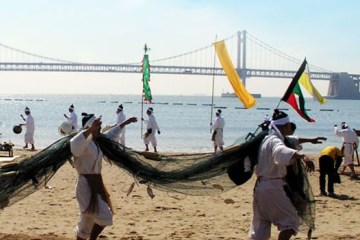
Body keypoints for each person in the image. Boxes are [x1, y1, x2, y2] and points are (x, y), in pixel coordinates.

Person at [249, 109, 315, 240]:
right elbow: (281, 150)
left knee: (261, 225)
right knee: (290, 222)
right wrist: (302, 155)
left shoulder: (266, 139)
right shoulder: (274, 141)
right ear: (286, 126)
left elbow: (292, 140)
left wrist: (311, 140)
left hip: (260, 187)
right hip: (273, 187)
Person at [70, 112, 137, 240]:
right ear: (90, 127)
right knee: (104, 216)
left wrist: (125, 122)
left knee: (86, 224)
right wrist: (90, 129)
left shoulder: (97, 141)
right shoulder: (82, 142)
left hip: (97, 185)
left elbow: (111, 134)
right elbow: (74, 146)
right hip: (85, 186)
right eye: (97, 128)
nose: (99, 130)